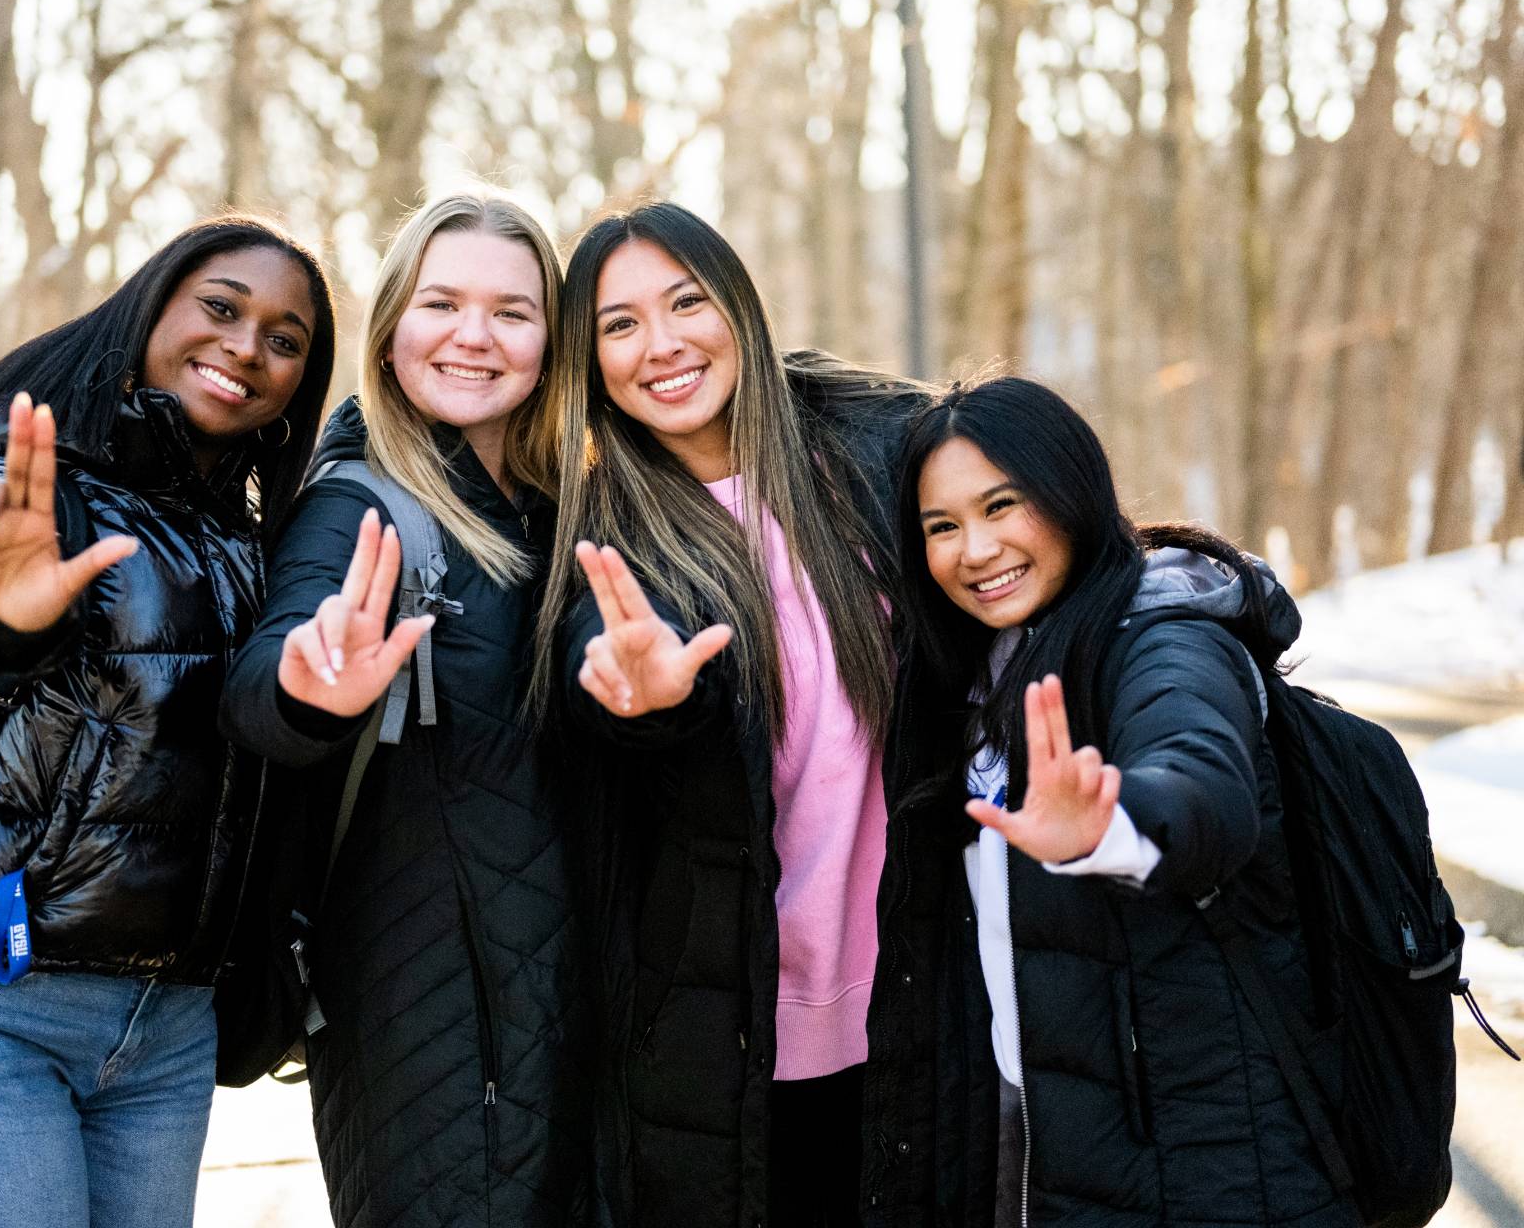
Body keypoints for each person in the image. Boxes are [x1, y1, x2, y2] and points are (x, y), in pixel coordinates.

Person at [0, 216, 337, 1228]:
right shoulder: (19, 479)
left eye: (284, 340)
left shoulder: (246, 537)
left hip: (164, 1028)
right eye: (222, 308)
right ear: (150, 307)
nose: (247, 347)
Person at [863, 375, 1359, 1226]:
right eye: (941, 526)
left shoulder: (1164, 631)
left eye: (1002, 505)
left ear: (1070, 492)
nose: (974, 550)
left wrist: (1113, 825)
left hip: (1204, 1153)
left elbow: (1201, 782)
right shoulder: (972, 675)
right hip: (1051, 1130)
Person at [538, 201, 929, 1227]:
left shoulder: (876, 454)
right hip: (746, 1033)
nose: (660, 344)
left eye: (684, 302)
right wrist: (644, 696)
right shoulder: (606, 536)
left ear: (738, 310)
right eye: (617, 325)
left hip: (929, 1003)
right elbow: (614, 663)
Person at [218, 191, 599, 1228]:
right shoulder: (358, 506)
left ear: (551, 342)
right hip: (431, 1026)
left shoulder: (564, 505)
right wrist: (309, 687)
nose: (474, 336)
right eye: (441, 302)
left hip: (575, 1016)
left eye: (512, 312)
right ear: (389, 332)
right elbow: (262, 686)